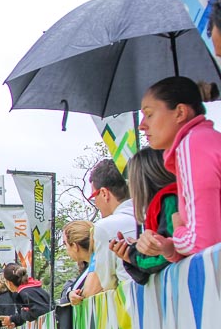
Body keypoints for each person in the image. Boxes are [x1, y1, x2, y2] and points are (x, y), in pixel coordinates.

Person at [136, 76, 221, 261]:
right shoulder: (202, 140)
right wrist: (167, 247)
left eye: (149, 114)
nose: (142, 125)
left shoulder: (193, 145)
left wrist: (179, 229)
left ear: (180, 112)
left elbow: (204, 243)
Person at [108, 149, 178, 285]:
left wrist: (133, 255)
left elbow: (163, 256)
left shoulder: (170, 200)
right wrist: (136, 250)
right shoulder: (165, 202)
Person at [82, 159, 137, 297]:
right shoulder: (151, 213)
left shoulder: (105, 227)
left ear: (104, 193)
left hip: (130, 304)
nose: (96, 203)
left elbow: (106, 283)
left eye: (94, 196)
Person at [0, 263, 51, 329]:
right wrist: (12, 319)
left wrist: (23, 313)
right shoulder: (34, 288)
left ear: (9, 283)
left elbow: (39, 311)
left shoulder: (24, 293)